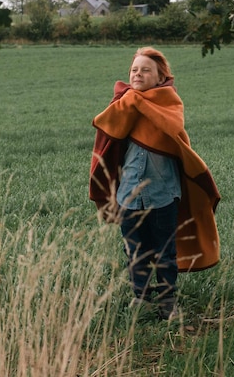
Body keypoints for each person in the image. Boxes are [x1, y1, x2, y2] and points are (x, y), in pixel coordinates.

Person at [89, 47, 220, 320]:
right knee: (135, 252)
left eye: (146, 70)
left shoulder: (168, 102)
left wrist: (138, 102)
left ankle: (167, 303)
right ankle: (142, 298)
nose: (138, 74)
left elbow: (172, 127)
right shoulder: (123, 103)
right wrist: (131, 101)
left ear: (161, 78)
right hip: (129, 196)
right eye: (134, 70)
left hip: (163, 196)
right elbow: (107, 127)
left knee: (164, 252)